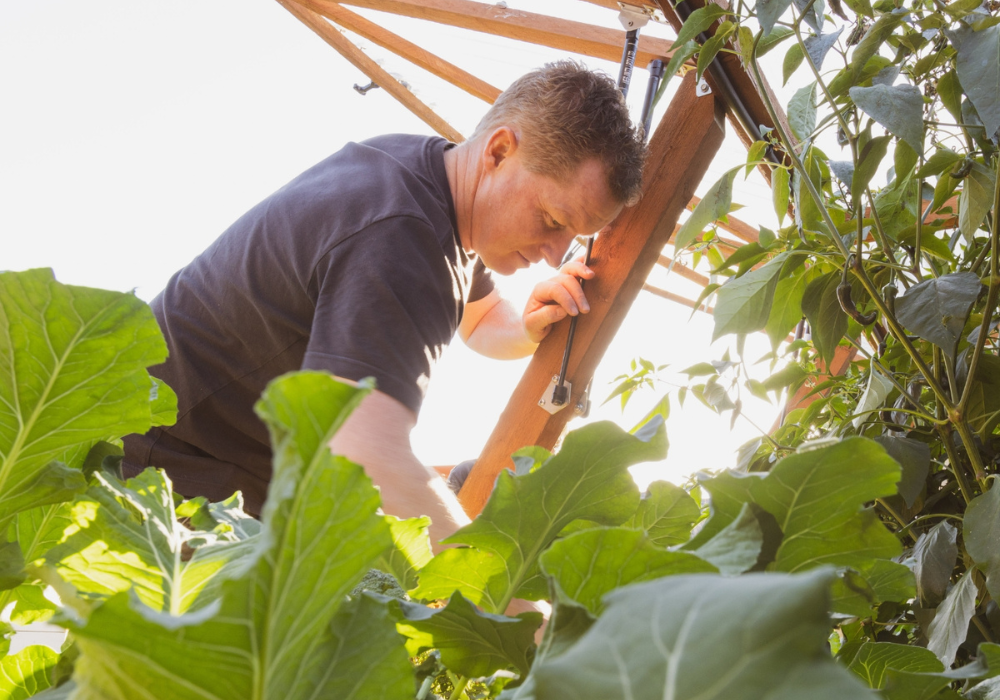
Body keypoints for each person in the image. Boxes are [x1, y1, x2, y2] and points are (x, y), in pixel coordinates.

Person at [123, 60, 646, 546]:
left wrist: (528, 327)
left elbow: (480, 317)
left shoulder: (427, 177)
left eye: (572, 237)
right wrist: (499, 592)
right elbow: (364, 455)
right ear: (499, 151)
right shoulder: (401, 236)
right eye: (553, 220)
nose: (555, 254)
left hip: (201, 468)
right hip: (163, 471)